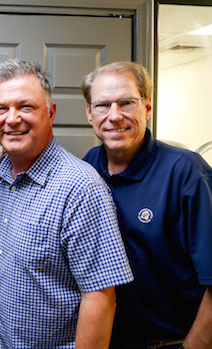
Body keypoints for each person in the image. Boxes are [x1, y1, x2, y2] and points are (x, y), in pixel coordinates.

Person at [0, 59, 134, 348]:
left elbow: (101, 298)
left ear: (51, 112)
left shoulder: (80, 188)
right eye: (1, 109)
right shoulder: (1, 176)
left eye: (26, 107)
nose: (12, 119)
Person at [81, 61, 212, 349]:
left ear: (147, 107)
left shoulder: (186, 173)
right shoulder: (86, 168)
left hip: (173, 342)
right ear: (90, 113)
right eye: (102, 105)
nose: (114, 116)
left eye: (126, 102)